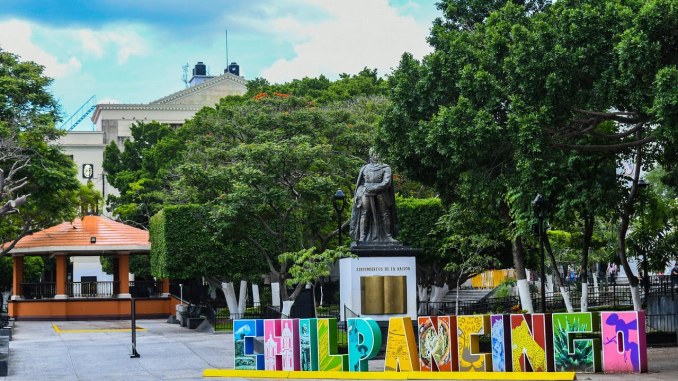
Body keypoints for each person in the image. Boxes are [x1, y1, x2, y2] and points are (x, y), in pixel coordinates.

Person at [349, 149, 398, 243]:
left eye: (378, 153)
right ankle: (362, 237)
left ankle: (388, 236)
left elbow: (386, 183)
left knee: (385, 214)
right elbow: (360, 184)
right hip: (366, 192)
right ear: (370, 155)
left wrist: (374, 188)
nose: (376, 155)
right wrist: (362, 191)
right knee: (364, 213)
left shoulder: (386, 167)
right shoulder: (365, 168)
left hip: (381, 193)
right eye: (374, 153)